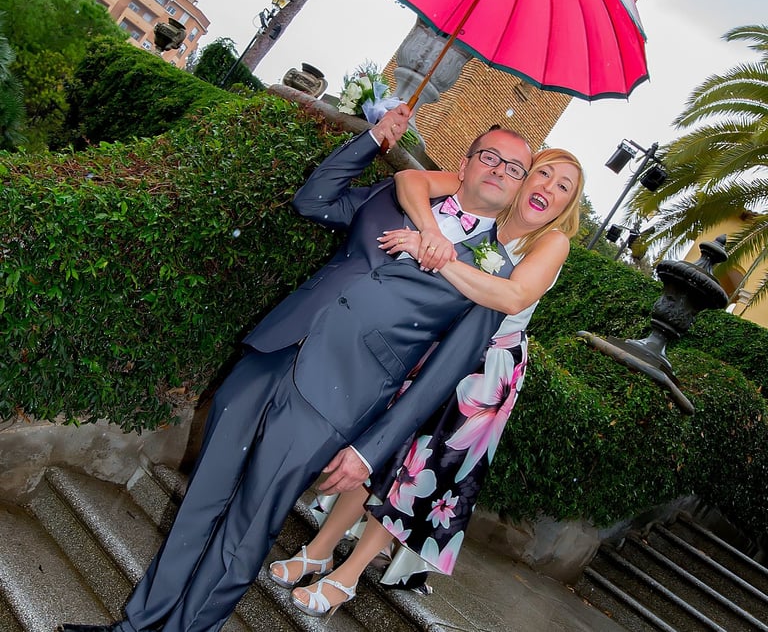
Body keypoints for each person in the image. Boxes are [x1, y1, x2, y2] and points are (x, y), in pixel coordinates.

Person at [59, 105, 534, 632]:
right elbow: (313, 200)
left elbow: (440, 379)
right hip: (276, 351)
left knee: (248, 526)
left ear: (516, 190)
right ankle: (135, 626)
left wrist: (371, 451)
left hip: (337, 400)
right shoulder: (398, 199)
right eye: (489, 156)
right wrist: (374, 138)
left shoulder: (498, 279)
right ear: (464, 165)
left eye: (514, 168)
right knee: (203, 497)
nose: (499, 170)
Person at [269, 148, 583, 617]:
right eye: (544, 174)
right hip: (433, 346)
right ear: (523, 177)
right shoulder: (491, 203)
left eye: (564, 187)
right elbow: (412, 179)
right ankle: (318, 550)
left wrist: (429, 252)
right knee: (377, 451)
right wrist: (432, 233)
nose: (549, 189)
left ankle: (348, 575)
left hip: (483, 373)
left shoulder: (552, 242)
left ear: (568, 206)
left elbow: (511, 294)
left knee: (413, 473)